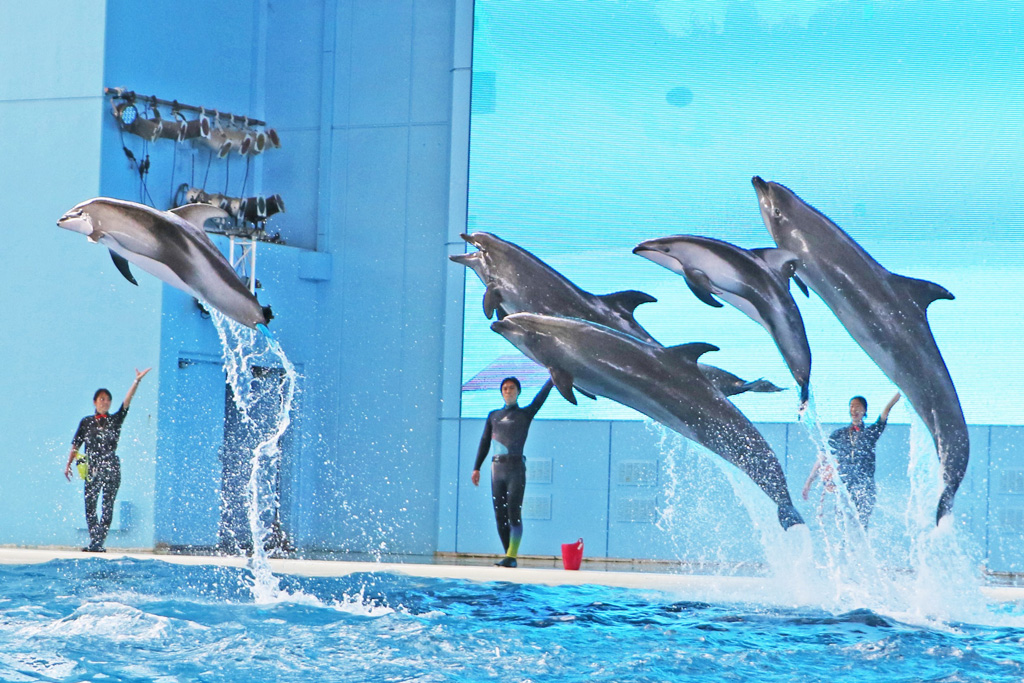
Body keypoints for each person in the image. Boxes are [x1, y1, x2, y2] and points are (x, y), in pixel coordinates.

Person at [64, 368, 151, 552]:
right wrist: (68, 464)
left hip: (111, 467)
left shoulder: (115, 420)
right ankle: (94, 540)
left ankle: (99, 542)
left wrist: (136, 381)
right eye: (101, 399)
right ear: (95, 402)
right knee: (90, 505)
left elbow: (126, 402)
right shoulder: (86, 422)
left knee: (107, 505)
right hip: (91, 468)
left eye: (107, 399)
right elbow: (76, 445)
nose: (104, 402)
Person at [472, 376, 554, 568]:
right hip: (497, 468)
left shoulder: (525, 414)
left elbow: (540, 398)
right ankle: (509, 556)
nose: (508, 391)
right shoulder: (493, 416)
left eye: (512, 388)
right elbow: (484, 442)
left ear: (518, 392)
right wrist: (476, 467)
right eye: (505, 388)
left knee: (513, 513)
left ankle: (511, 556)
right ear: (501, 393)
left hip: (515, 468)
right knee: (499, 515)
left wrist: (552, 380)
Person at [802, 392, 901, 528]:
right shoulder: (838, 435)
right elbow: (823, 458)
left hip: (865, 487)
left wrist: (901, 392)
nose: (854, 409)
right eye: (851, 406)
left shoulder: (871, 433)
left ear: (864, 411)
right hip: (844, 486)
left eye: (857, 406)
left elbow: (886, 411)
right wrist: (809, 482)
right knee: (844, 524)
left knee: (862, 524)